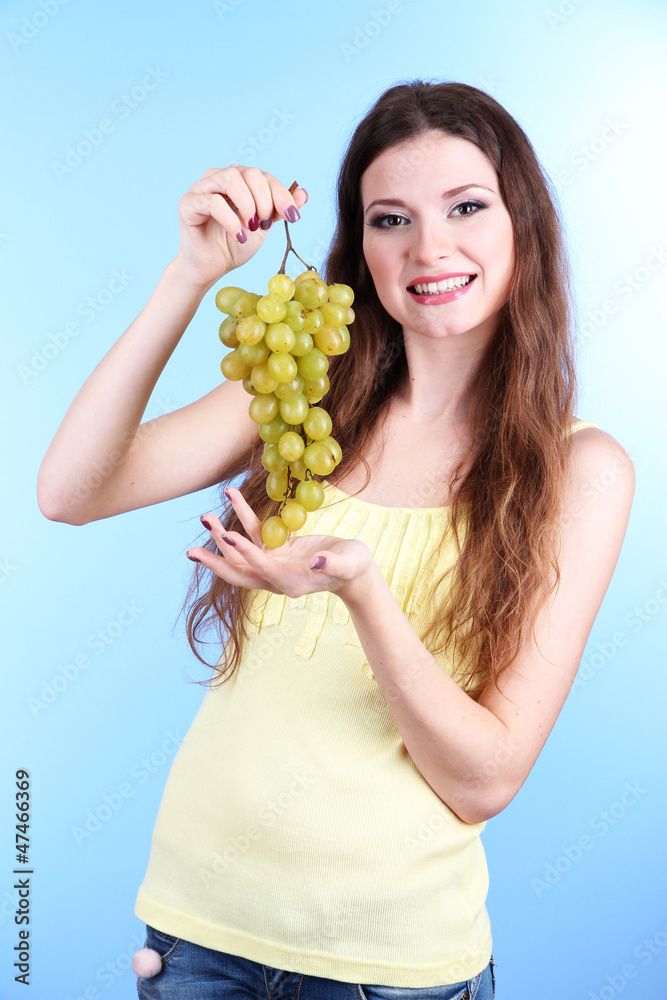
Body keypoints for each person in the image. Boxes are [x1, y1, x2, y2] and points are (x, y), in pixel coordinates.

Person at [37, 79, 635, 999]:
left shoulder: (579, 469)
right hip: (196, 937)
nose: (428, 249)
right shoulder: (304, 391)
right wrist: (188, 277)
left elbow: (483, 781)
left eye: (465, 207)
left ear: (522, 222)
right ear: (361, 246)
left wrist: (360, 591)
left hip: (387, 972)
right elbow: (70, 492)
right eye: (391, 219)